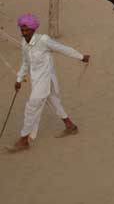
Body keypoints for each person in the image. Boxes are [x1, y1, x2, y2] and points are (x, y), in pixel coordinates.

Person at [7, 13, 90, 153]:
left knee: (31, 107)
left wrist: (81, 57)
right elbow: (25, 63)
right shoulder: (24, 43)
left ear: (33, 29)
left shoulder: (43, 40)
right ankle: (71, 126)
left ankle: (24, 140)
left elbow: (62, 48)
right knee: (54, 101)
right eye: (22, 30)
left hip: (46, 80)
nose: (24, 33)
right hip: (37, 81)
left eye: (27, 30)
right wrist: (19, 79)